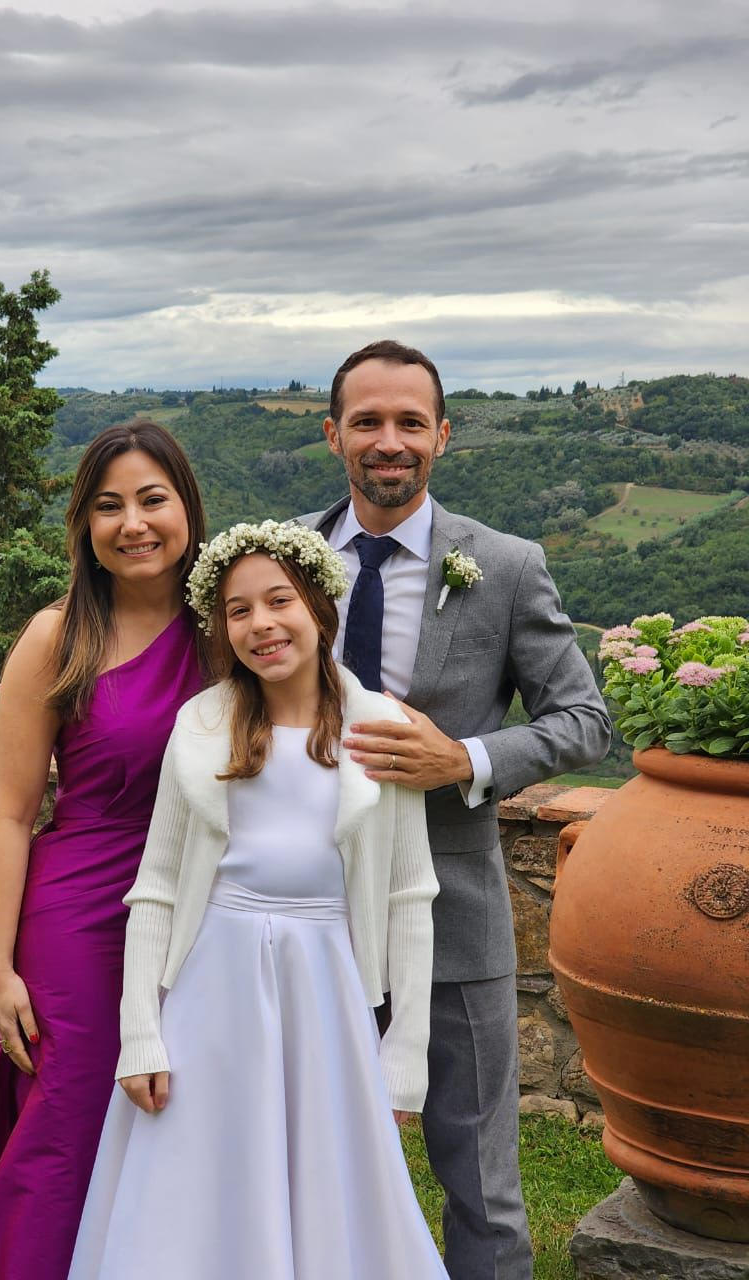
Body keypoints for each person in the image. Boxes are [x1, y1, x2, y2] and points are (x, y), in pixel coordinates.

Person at [67, 520, 449, 1280]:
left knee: (331, 1188)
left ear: (319, 608)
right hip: (213, 988)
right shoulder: (202, 725)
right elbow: (159, 890)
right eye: (238, 611)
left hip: (326, 991)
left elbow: (411, 895)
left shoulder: (381, 728)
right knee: (199, 1182)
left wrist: (405, 1051)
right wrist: (141, 1032)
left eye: (279, 601)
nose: (262, 625)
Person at [303, 341, 611, 1280]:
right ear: (332, 436)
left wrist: (465, 757)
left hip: (452, 921)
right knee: (304, 1168)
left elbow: (585, 719)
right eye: (367, 421)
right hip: (301, 921)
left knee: (481, 1192)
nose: (387, 441)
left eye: (408, 422)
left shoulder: (507, 566)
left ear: (443, 434)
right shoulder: (287, 558)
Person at [0, 420, 207, 1280]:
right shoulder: (55, 638)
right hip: (80, 923)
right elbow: (10, 817)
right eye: (109, 507)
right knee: (66, 1127)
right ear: (85, 528)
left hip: (209, 916)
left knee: (184, 1120)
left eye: (152, 500)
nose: (133, 523)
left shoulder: (236, 630)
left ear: (188, 509)